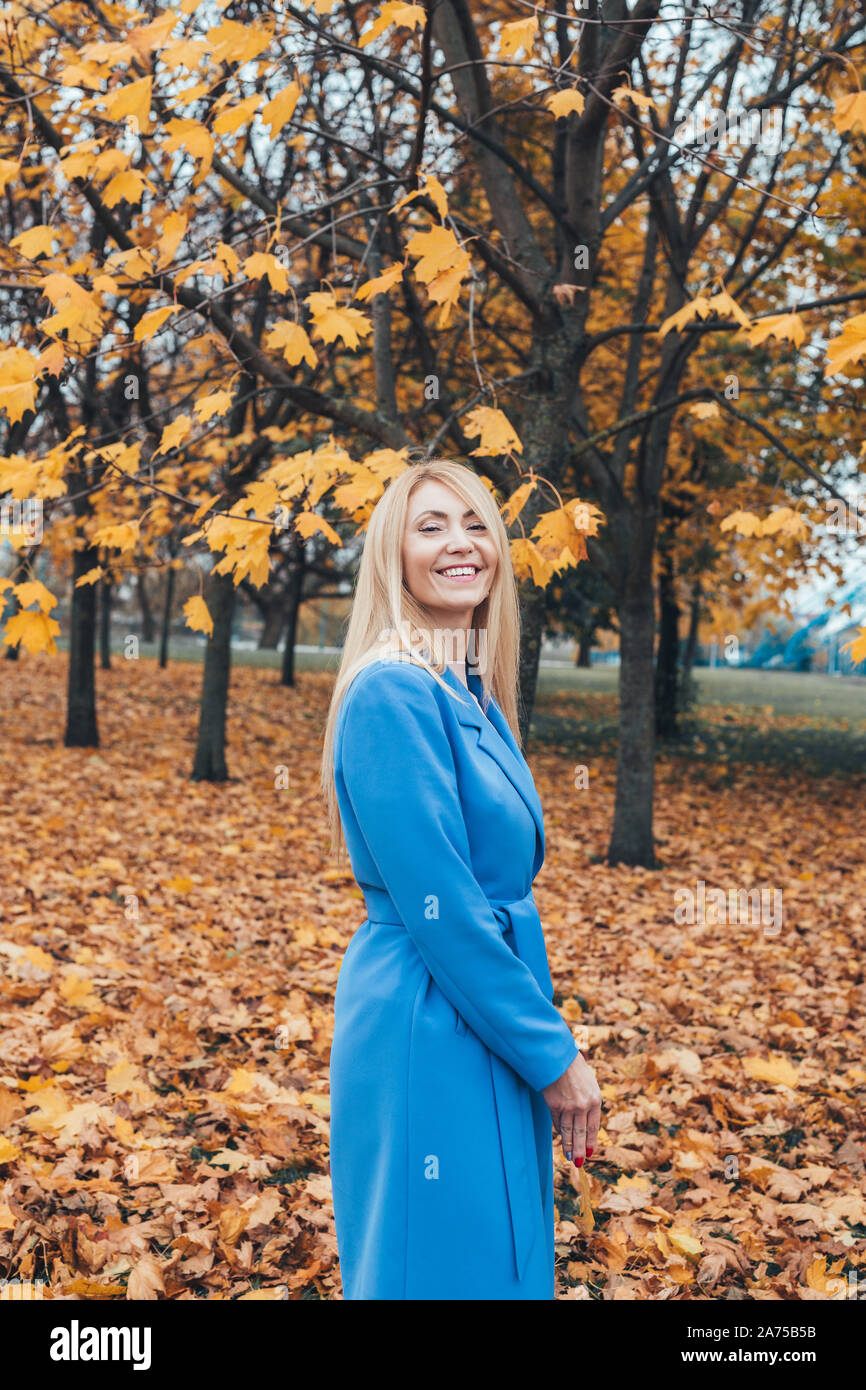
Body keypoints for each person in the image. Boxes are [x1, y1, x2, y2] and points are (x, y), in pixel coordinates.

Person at [320, 458, 601, 1300]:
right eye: (431, 526)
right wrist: (554, 1054)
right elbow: (441, 909)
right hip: (427, 1016)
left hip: (481, 1005)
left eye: (476, 523)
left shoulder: (467, 686)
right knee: (440, 1265)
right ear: (393, 555)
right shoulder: (393, 695)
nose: (460, 544)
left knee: (498, 1260)